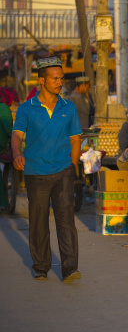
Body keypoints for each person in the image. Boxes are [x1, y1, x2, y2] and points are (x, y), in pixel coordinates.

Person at [11, 57, 82, 282]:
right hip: (35, 172)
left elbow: (75, 139)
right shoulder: (26, 109)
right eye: (55, 78)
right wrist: (17, 154)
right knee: (39, 220)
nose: (60, 82)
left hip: (63, 170)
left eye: (61, 78)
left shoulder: (68, 107)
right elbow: (17, 135)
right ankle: (41, 266)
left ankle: (70, 267)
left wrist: (73, 164)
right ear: (42, 80)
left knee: (65, 219)